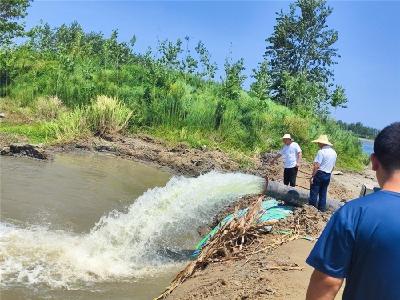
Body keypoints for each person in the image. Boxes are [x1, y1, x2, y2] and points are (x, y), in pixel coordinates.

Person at [305, 122, 400, 300]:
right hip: (328, 175)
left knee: (317, 194)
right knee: (323, 195)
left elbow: (327, 282)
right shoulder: (332, 153)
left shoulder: (353, 213)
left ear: (374, 162)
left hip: (321, 176)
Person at [309, 135, 337, 211]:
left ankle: (311, 209)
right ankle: (321, 210)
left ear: (322, 143)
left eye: (318, 143)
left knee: (314, 192)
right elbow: (333, 167)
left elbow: (317, 166)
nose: (318, 144)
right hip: (327, 174)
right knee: (323, 193)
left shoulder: (321, 152)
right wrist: (329, 174)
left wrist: (312, 176)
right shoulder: (334, 152)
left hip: (319, 174)